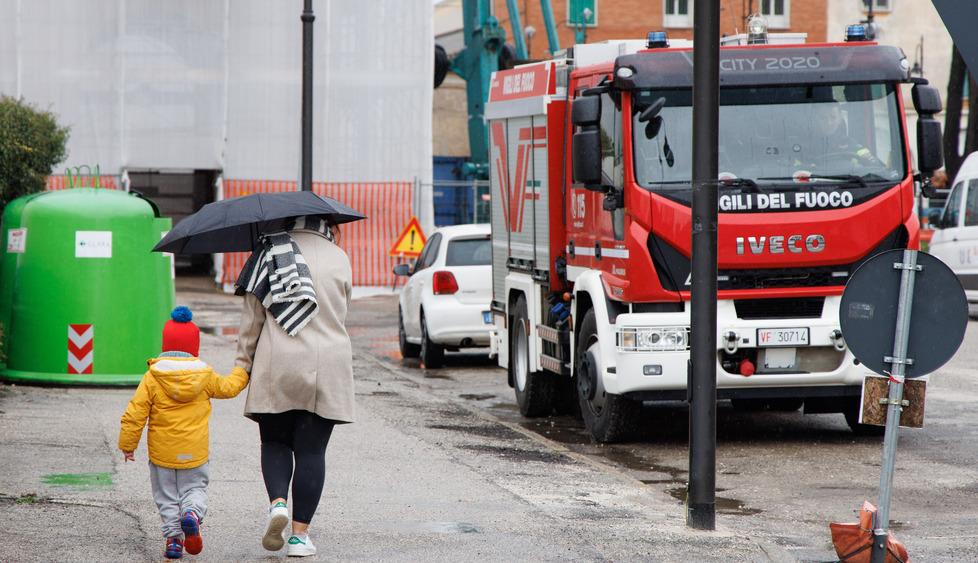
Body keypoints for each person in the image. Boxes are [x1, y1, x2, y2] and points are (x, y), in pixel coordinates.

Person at [234, 215, 354, 558]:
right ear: (326, 225)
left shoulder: (269, 250)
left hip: (278, 362)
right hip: (328, 364)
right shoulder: (339, 257)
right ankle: (299, 537)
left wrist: (242, 366)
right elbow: (342, 312)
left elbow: (252, 320)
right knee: (312, 452)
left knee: (274, 442)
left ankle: (277, 505)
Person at [119, 306, 250, 560]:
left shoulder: (153, 376)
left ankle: (174, 541)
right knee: (195, 490)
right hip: (195, 452)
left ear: (165, 344)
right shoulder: (205, 375)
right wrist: (242, 370)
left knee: (166, 497)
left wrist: (128, 444)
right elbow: (229, 387)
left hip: (162, 453)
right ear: (195, 346)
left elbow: (135, 412)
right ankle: (191, 513)